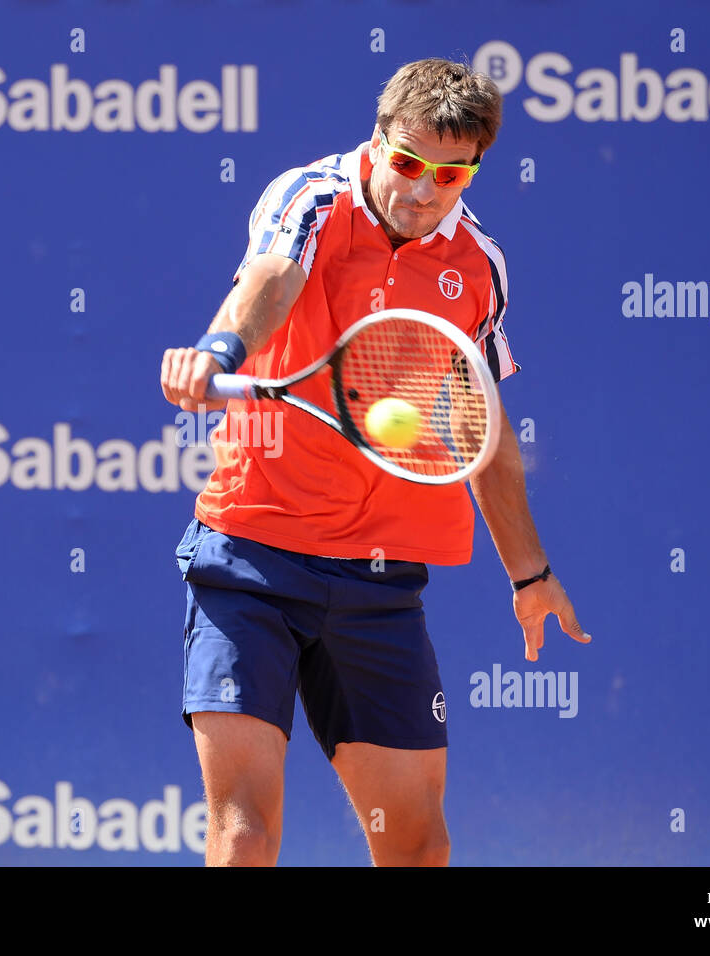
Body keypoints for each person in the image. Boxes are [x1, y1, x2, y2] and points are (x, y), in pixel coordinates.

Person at [160, 58, 591, 867]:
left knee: (418, 848)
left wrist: (529, 573)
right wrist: (221, 349)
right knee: (244, 834)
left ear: (474, 171)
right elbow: (272, 277)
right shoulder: (312, 197)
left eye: (452, 175)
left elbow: (481, 428)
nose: (425, 191)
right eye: (408, 164)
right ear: (378, 140)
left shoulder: (479, 268)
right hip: (251, 558)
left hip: (379, 580)